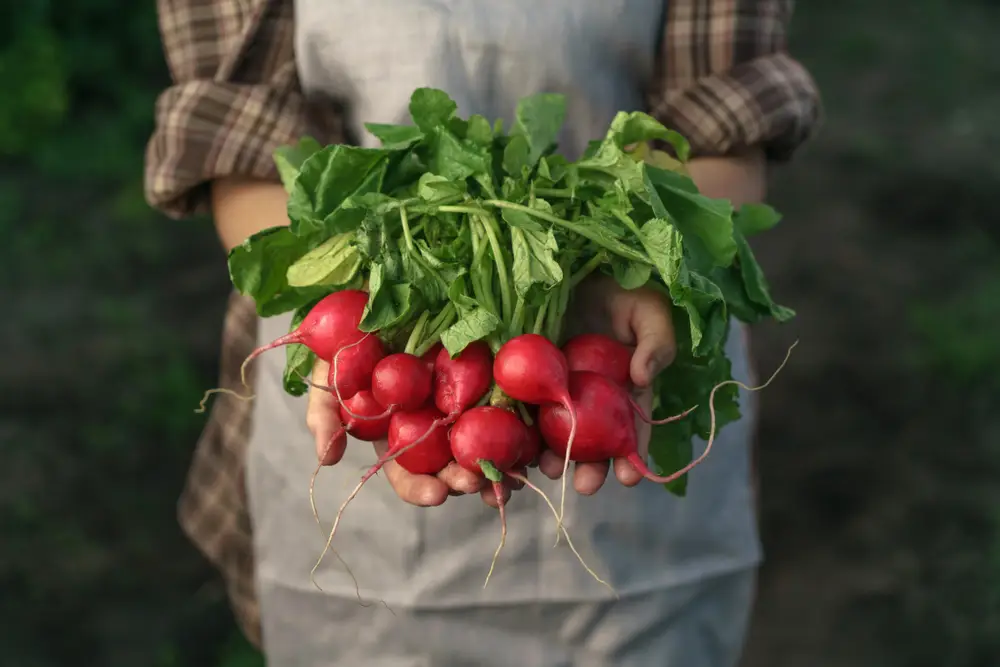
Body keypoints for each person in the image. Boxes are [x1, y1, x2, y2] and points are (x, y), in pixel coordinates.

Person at [145, 0, 820, 664]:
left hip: (624, 412)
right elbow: (237, 138)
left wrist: (636, 269)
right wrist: (345, 301)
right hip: (374, 472)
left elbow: (719, 130)